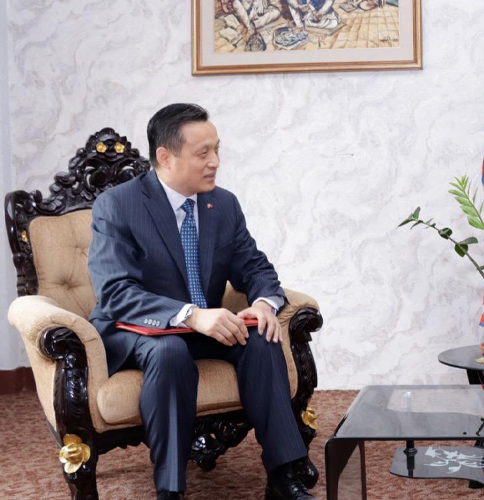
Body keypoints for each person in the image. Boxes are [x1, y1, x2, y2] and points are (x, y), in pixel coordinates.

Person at [87, 103, 316, 500]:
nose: (215, 162)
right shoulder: (118, 205)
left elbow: (256, 268)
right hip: (140, 329)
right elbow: (115, 291)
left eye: (217, 149)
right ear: (165, 156)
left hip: (206, 327)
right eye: (203, 153)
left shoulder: (222, 204)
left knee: (262, 338)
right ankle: (170, 489)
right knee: (170, 353)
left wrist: (263, 304)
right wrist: (190, 315)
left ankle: (283, 475)